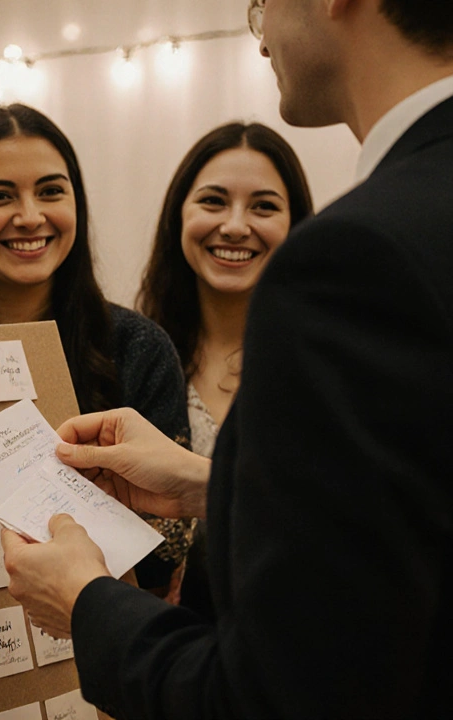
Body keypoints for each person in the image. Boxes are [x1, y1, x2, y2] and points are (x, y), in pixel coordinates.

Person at [1, 0, 453, 717]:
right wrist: (216, 486)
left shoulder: (359, 256)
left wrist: (85, 602)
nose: (260, 21)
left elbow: (276, 696)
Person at [0, 103, 190, 590]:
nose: (29, 216)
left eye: (50, 192)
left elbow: (163, 551)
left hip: (98, 642)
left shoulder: (137, 347)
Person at [138, 122, 313, 608]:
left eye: (264, 206)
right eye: (213, 201)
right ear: (178, 216)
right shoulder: (133, 357)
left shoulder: (323, 365)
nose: (236, 226)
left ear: (297, 224)